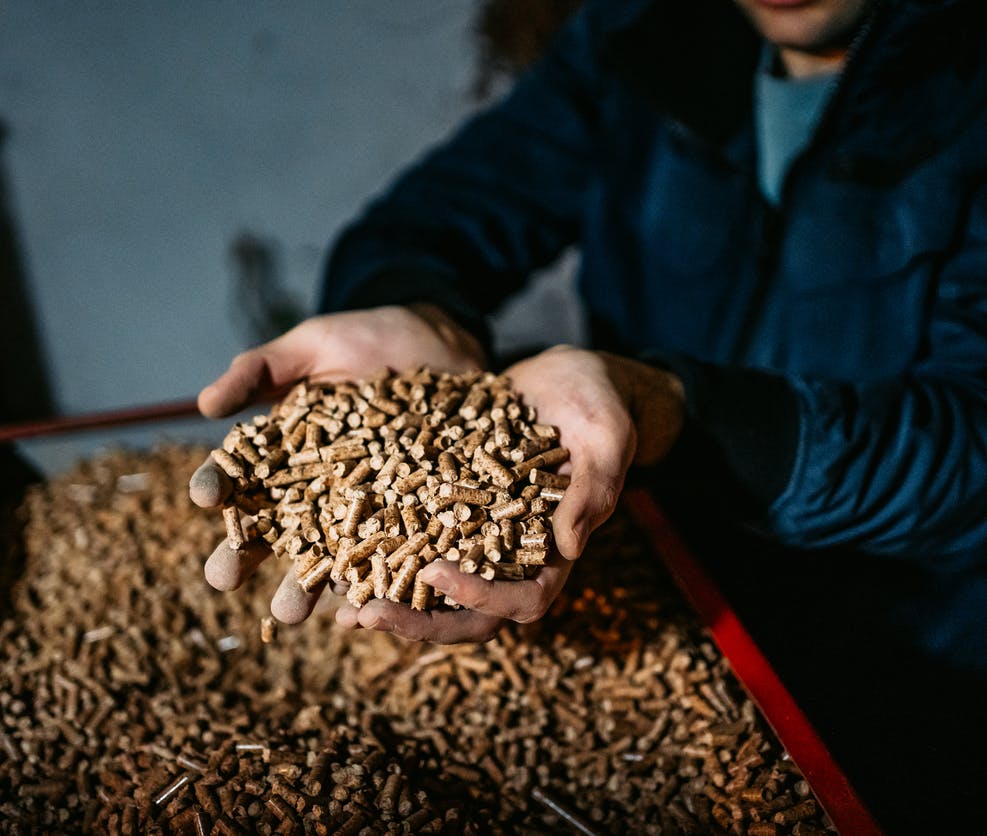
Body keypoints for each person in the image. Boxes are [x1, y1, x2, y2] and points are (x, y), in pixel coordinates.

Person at [190, 0, 987, 828]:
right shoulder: (642, 30)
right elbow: (441, 215)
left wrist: (669, 409)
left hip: (915, 661)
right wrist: (416, 311)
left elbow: (972, 448)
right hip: (664, 565)